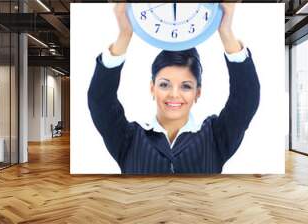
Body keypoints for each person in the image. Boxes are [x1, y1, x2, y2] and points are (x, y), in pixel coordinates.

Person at [88, 3, 260, 174]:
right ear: (152, 88)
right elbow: (100, 100)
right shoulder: (127, 138)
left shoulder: (216, 135)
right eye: (164, 84)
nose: (174, 94)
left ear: (197, 92)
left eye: (186, 86)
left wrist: (226, 33)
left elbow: (246, 99)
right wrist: (124, 35)